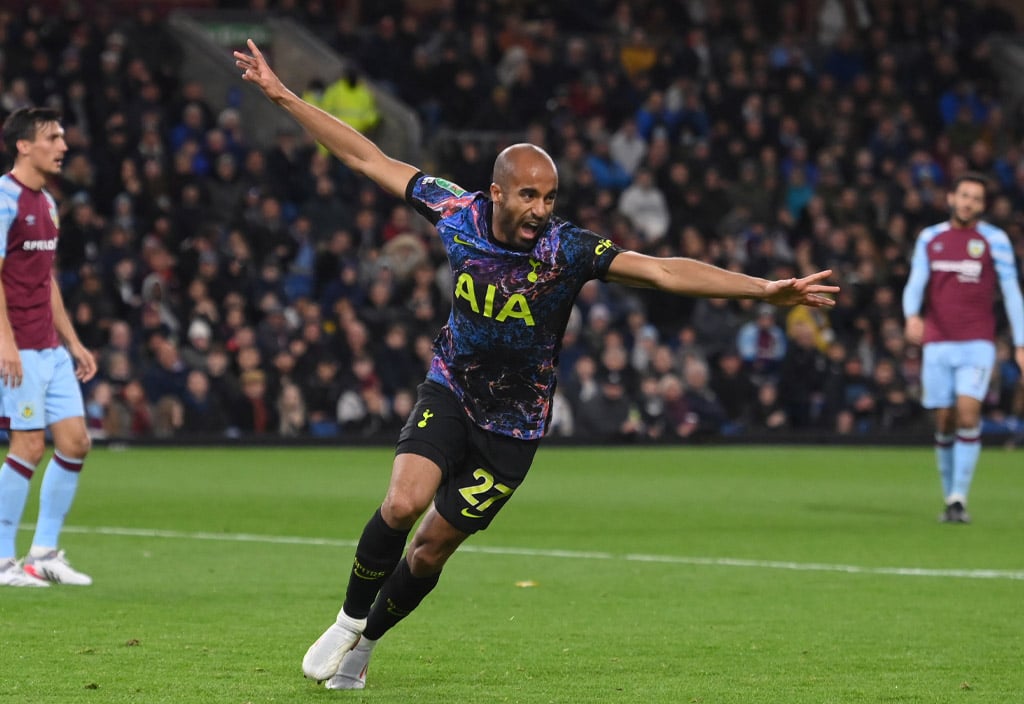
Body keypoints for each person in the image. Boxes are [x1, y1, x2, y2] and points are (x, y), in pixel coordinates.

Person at [235, 39, 839, 690]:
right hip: (454, 389)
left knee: (432, 548)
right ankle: (348, 620)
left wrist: (764, 290)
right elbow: (365, 154)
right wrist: (282, 95)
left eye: (549, 198)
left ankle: (367, 643)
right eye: (528, 196)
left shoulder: (567, 250)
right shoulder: (453, 211)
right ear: (497, 192)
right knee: (403, 502)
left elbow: (661, 271)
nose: (540, 210)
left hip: (513, 429)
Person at [0, 107, 98, 588]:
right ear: (23, 145)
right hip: (15, 346)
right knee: (28, 445)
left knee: (76, 442)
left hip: (48, 347)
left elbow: (45, 279)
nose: (62, 146)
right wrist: (5, 343)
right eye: (52, 137)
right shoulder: (4, 198)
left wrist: (72, 341)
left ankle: (43, 554)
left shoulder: (49, 203)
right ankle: (1, 560)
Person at [902, 173, 1024, 524]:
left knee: (968, 414)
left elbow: (1012, 292)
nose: (968, 202)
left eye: (976, 198)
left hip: (977, 342)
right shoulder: (931, 238)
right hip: (938, 343)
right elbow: (916, 282)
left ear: (982, 206)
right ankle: (948, 494)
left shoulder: (994, 240)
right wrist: (912, 316)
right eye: (964, 195)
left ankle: (958, 499)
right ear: (952, 198)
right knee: (944, 420)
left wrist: (1020, 343)